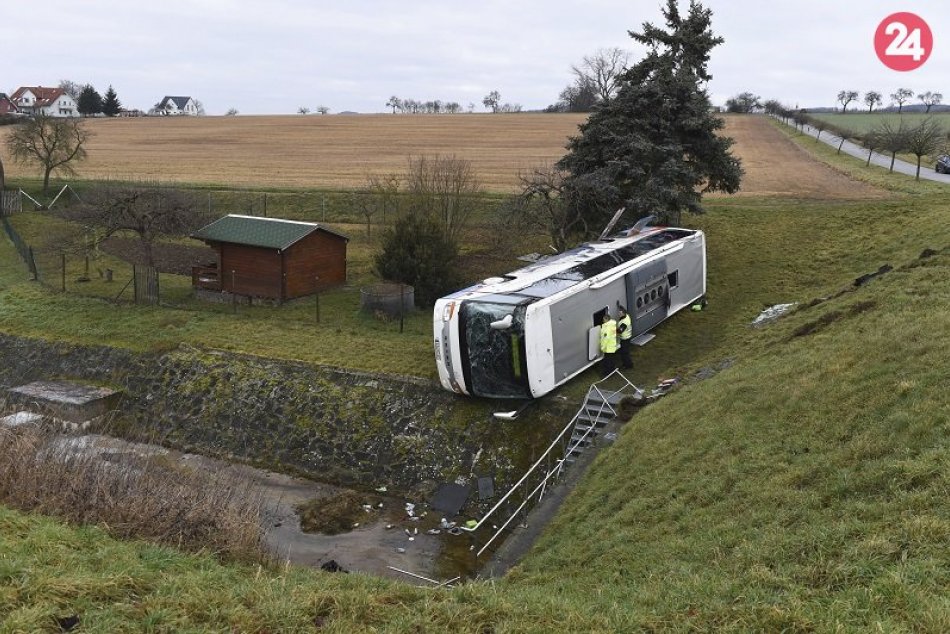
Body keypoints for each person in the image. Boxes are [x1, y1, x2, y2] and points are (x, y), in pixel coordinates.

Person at [599, 311, 619, 376]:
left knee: (608, 361)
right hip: (612, 345)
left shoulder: (607, 328)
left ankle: (608, 373)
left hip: (608, 347)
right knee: (612, 359)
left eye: (603, 320)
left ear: (606, 319)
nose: (603, 321)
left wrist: (603, 347)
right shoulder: (612, 325)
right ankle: (612, 370)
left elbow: (606, 338)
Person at [617, 305, 633, 369]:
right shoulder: (627, 316)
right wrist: (619, 305)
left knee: (625, 353)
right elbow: (623, 309)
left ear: (623, 314)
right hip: (626, 338)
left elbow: (619, 331)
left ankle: (628, 365)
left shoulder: (625, 322)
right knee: (623, 352)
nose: (618, 314)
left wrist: (611, 330)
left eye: (620, 313)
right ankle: (626, 364)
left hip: (625, 339)